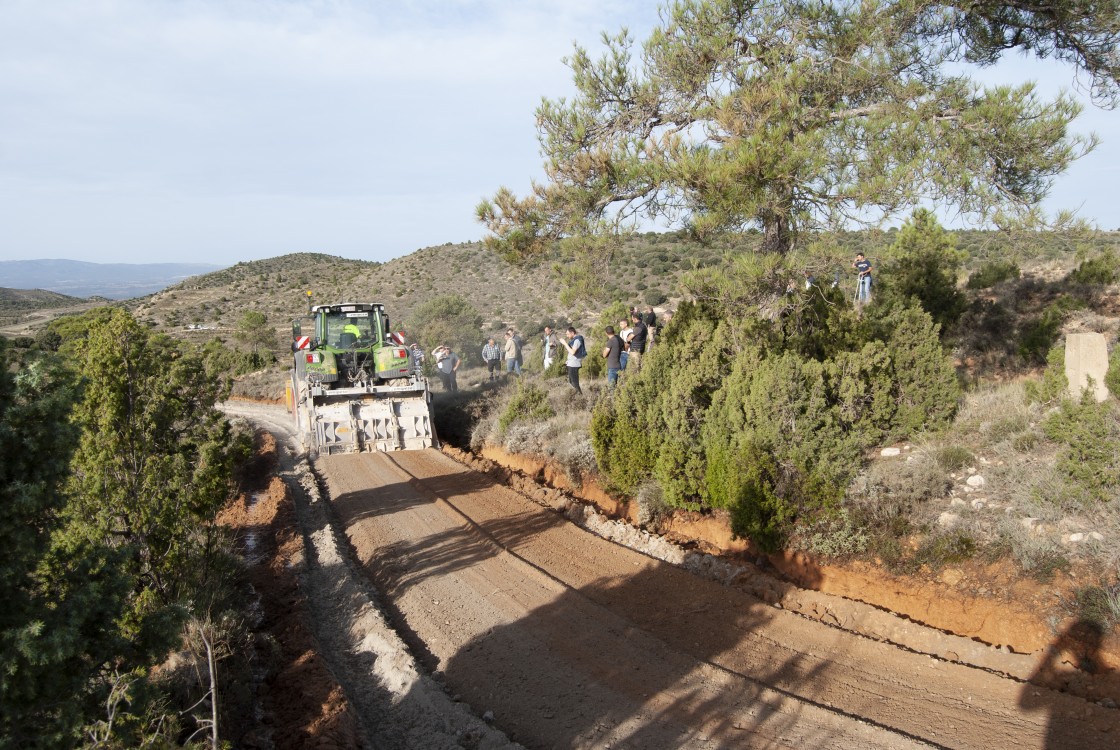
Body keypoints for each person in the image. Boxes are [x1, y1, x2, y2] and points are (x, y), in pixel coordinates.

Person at [560, 326, 586, 394]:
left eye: (568, 334)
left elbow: (573, 352)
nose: (567, 336)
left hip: (574, 364)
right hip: (571, 363)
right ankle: (579, 395)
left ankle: (580, 396)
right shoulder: (574, 340)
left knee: (575, 382)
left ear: (572, 333)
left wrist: (565, 343)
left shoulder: (577, 340)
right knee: (571, 381)